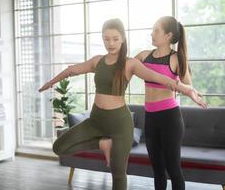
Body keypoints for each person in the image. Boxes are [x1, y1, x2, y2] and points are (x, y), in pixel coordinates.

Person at [39, 18, 206, 190]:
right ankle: (103, 143)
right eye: (106, 38)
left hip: (156, 117)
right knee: (157, 169)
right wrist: (51, 82)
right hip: (133, 117)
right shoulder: (133, 57)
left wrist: (188, 90)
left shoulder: (164, 60)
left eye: (115, 39)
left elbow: (158, 77)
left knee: (167, 169)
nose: (110, 43)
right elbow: (77, 70)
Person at [134, 16, 202, 190]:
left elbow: (188, 86)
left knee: (173, 169)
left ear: (168, 36)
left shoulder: (176, 59)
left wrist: (184, 88)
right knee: (157, 169)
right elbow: (126, 68)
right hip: (149, 117)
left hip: (170, 119)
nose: (152, 33)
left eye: (156, 30)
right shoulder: (143, 56)